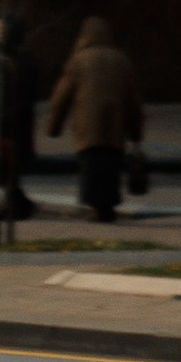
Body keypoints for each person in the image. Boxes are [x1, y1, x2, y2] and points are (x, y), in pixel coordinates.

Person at [44, 16, 144, 223]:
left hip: (88, 129)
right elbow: (133, 101)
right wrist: (136, 133)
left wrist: (53, 127)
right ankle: (107, 206)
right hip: (115, 129)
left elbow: (61, 97)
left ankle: (94, 206)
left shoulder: (79, 60)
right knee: (110, 167)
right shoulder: (121, 60)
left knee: (92, 167)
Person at [0, 14, 38, 225]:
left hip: (11, 125)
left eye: (0, 29)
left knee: (6, 167)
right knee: (3, 170)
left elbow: (17, 95)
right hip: (0, 122)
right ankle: (17, 204)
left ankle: (17, 205)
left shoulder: (16, 59)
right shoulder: (0, 56)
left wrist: (2, 123)